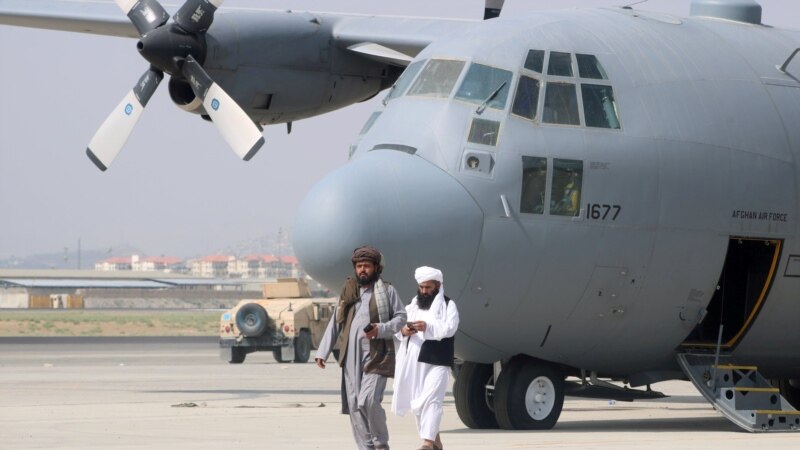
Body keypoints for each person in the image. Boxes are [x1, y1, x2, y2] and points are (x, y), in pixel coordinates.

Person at [315, 246, 406, 450]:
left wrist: (381, 329)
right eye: (359, 266)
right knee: (355, 404)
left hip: (378, 355)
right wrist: (323, 351)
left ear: (376, 268)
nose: (362, 270)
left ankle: (380, 443)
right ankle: (366, 447)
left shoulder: (388, 291)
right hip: (351, 357)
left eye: (366, 266)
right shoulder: (348, 291)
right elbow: (336, 322)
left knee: (369, 400)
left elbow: (401, 318)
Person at [391, 266, 460, 450]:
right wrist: (404, 330)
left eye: (428, 288)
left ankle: (427, 443)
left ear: (438, 286)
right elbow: (398, 328)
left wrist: (427, 327)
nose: (424, 291)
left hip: (437, 361)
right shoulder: (413, 305)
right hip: (414, 362)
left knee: (431, 399)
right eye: (421, 287)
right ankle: (436, 443)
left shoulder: (448, 305)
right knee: (419, 403)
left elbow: (449, 329)